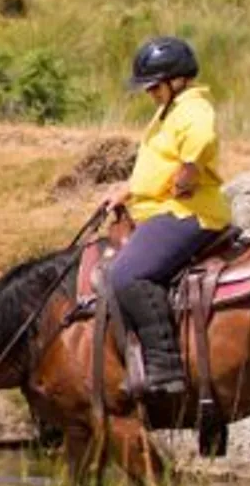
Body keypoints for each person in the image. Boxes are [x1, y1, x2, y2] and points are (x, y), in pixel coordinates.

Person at [99, 37, 232, 394]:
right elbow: (158, 163)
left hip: (189, 212)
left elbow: (202, 140)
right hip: (163, 207)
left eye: (154, 86)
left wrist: (190, 169)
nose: (149, 93)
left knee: (127, 274)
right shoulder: (169, 110)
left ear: (177, 81)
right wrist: (128, 189)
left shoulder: (192, 108)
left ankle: (165, 366)